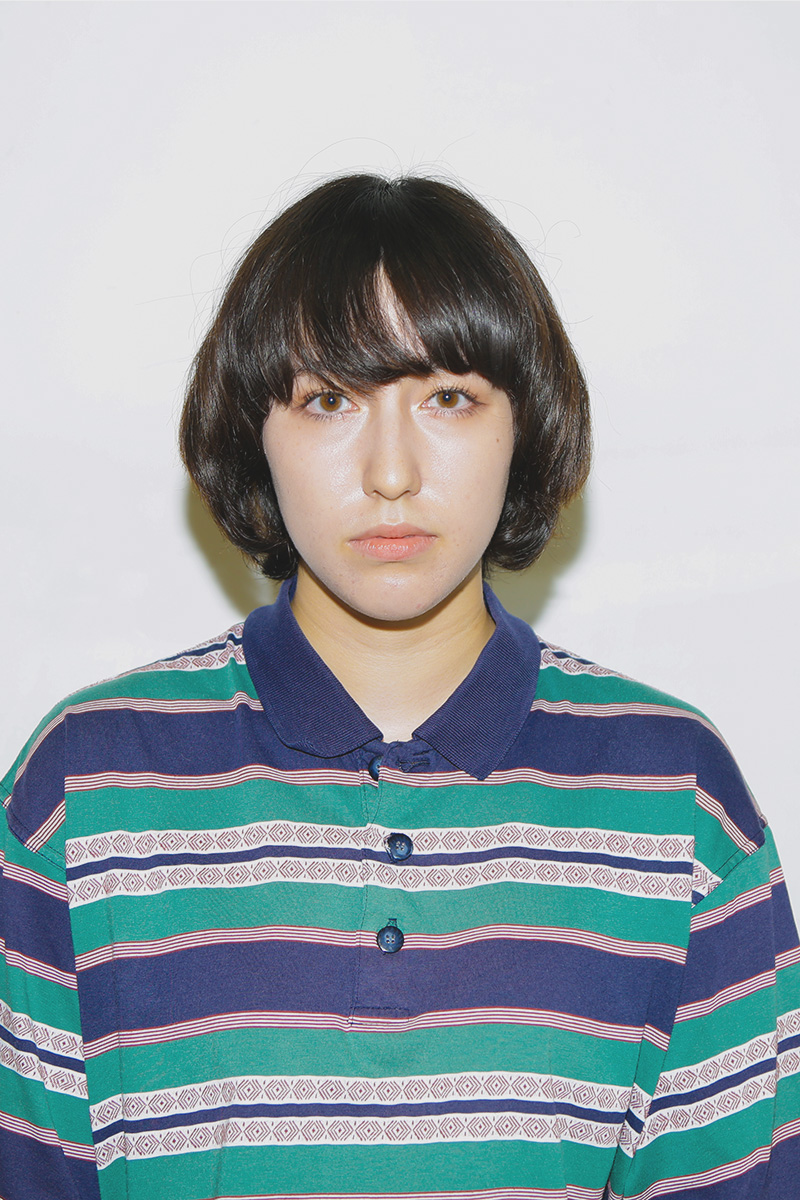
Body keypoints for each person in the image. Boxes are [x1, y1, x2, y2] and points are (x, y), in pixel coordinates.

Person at [1, 173, 798, 1200]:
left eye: (449, 398)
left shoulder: (674, 795)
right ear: (254, 429)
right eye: (329, 399)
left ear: (523, 426)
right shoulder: (84, 786)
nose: (390, 471)